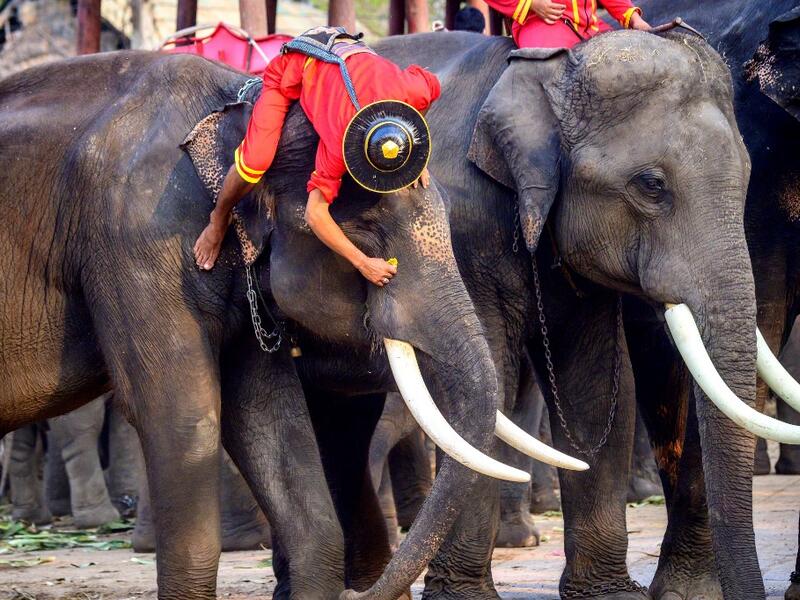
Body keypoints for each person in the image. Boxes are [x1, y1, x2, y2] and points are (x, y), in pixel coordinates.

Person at [193, 28, 441, 287]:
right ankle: (218, 218)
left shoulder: (414, 90)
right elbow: (315, 213)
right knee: (256, 161)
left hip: (346, 48)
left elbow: (433, 83)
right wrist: (362, 262)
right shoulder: (340, 139)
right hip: (298, 63)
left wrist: (415, 149)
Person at [484, 0, 650, 48]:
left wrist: (634, 18)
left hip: (589, 26)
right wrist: (531, 3)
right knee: (548, 67)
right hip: (542, 23)